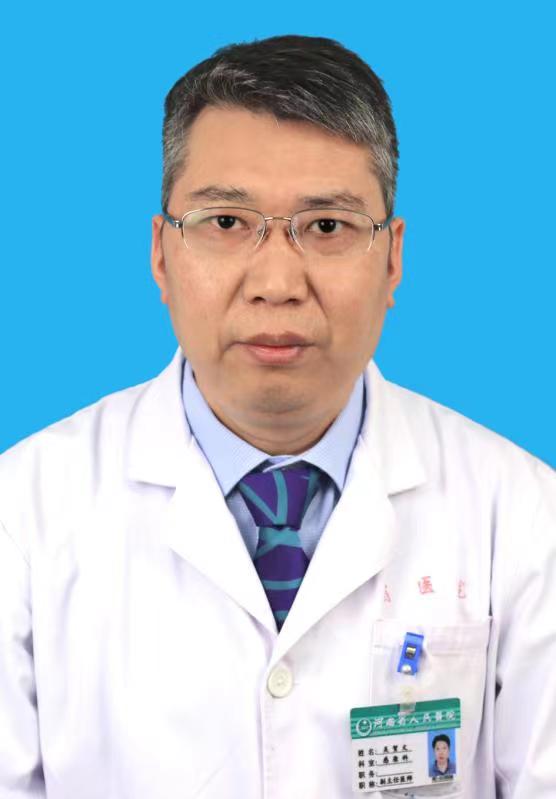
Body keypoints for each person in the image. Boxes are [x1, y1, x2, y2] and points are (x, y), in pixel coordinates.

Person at [0, 34, 554, 799]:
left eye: (326, 227)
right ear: (161, 254)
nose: (277, 281)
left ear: (393, 259)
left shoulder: (522, 514)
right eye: (227, 222)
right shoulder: (23, 511)